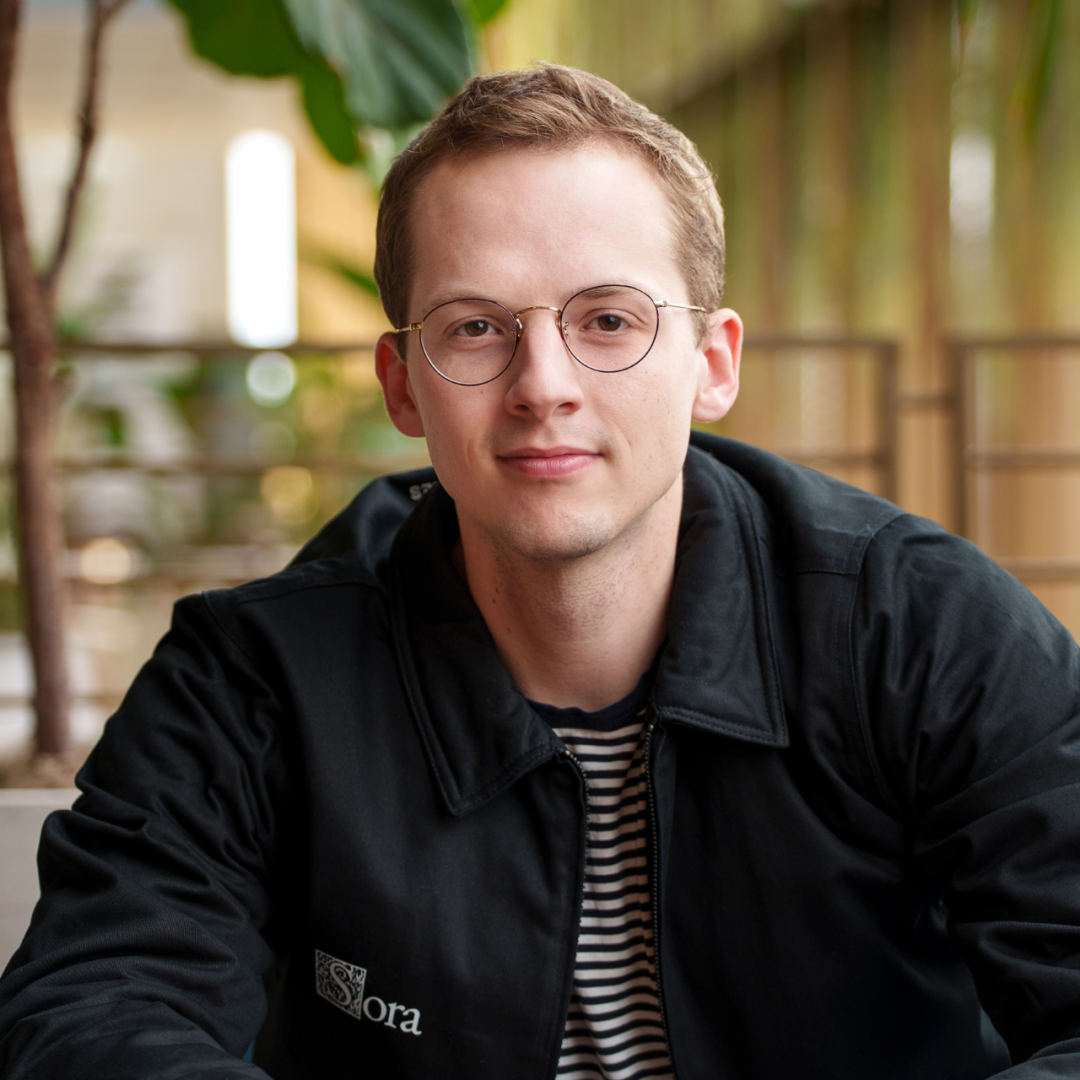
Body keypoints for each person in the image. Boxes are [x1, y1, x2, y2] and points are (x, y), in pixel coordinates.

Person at [2, 63, 1079, 1080]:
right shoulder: (255, 678)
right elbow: (96, 1009)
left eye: (608, 319)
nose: (542, 385)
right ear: (404, 385)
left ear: (712, 364)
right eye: (476, 328)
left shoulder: (922, 628)